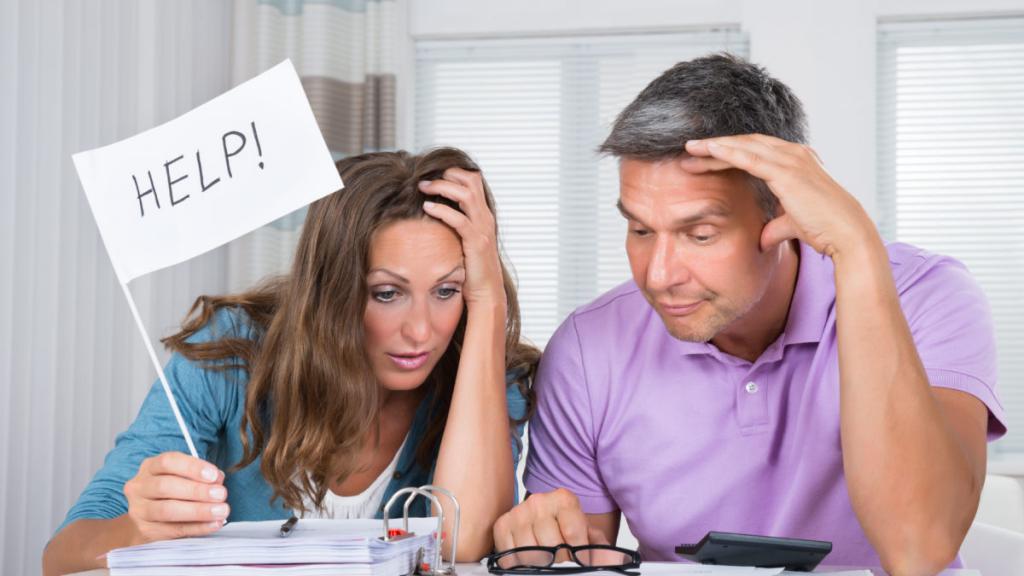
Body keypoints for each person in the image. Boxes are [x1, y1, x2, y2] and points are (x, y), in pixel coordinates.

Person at [492, 54, 1005, 574]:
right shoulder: (588, 348)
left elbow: (919, 549)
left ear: (784, 209)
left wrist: (855, 248)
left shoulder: (926, 296)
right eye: (641, 230)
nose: (659, 275)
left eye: (700, 234)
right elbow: (581, 561)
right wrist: (543, 547)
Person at [43, 148, 540, 575]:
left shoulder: (486, 373)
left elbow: (462, 543)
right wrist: (138, 528)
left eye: (447, 290)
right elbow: (61, 557)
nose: (421, 331)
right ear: (331, 291)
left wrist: (489, 301)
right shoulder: (232, 354)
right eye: (387, 293)